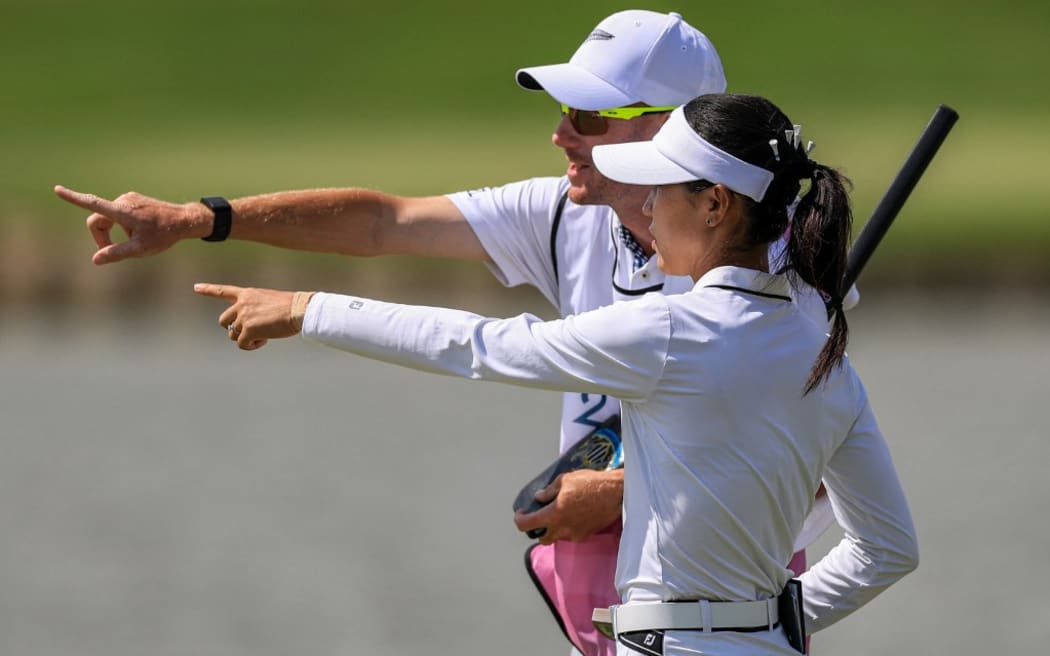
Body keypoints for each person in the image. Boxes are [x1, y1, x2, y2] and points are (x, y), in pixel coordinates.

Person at [54, 10, 847, 655]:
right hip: (614, 586)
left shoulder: (780, 269)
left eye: (589, 115)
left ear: (670, 130)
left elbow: (812, 462)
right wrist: (200, 220)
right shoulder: (564, 213)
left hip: (723, 603)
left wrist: (619, 490)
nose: (561, 133)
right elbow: (383, 222)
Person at [191, 92, 919, 656]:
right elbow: (888, 549)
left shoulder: (667, 331)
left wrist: (306, 307)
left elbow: (477, 345)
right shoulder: (822, 348)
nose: (650, 209)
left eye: (660, 189)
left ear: (715, 204)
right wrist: (781, 615)